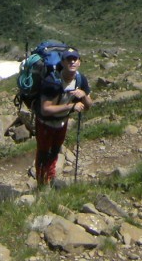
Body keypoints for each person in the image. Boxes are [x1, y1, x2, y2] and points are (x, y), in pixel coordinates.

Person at [34, 47, 93, 186]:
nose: (72, 62)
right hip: (45, 123)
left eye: (75, 59)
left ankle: (49, 179)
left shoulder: (80, 79)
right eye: (68, 59)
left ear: (79, 62)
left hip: (62, 121)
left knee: (54, 151)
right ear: (63, 62)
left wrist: (83, 96)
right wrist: (70, 107)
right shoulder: (52, 82)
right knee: (43, 153)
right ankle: (42, 183)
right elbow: (45, 109)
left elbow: (89, 105)